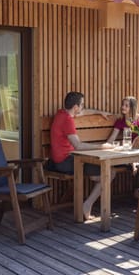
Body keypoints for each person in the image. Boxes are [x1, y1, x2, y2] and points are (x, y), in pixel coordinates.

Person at [50, 91, 114, 220]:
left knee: (100, 174)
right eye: (82, 105)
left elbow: (84, 112)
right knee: (110, 172)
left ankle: (96, 178)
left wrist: (99, 112)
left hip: (61, 159)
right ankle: (87, 205)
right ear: (75, 107)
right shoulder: (67, 120)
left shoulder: (61, 113)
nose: (83, 107)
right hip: (65, 162)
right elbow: (78, 146)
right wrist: (101, 146)